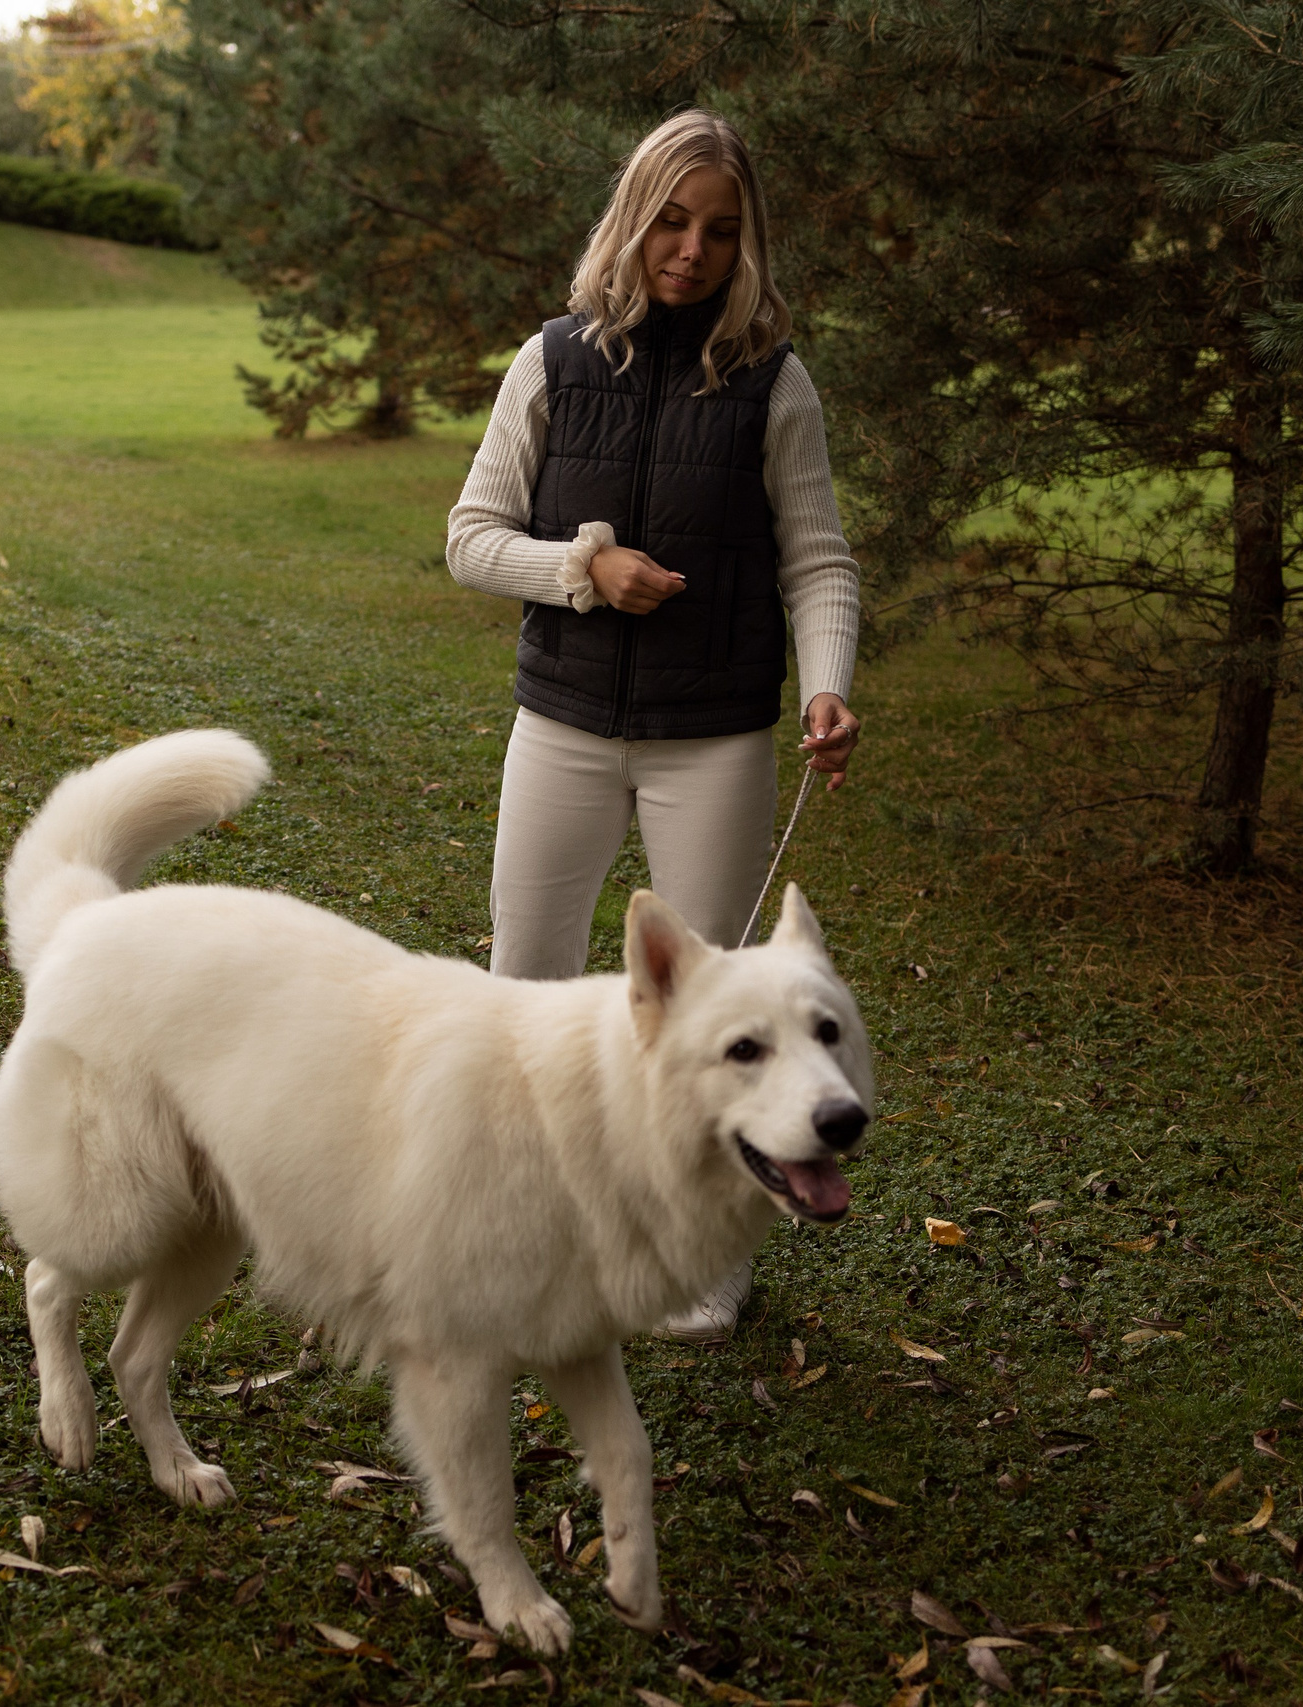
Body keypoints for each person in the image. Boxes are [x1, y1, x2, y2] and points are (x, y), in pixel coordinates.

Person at [445, 108, 863, 1343]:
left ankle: (705, 1259)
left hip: (714, 737)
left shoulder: (775, 384)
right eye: (672, 221)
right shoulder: (555, 360)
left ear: (748, 246)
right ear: (632, 219)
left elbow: (820, 561)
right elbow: (469, 540)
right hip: (563, 721)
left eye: (720, 232)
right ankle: (518, 1221)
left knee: (724, 1020)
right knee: (519, 979)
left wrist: (824, 683)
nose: (692, 250)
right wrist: (586, 570)